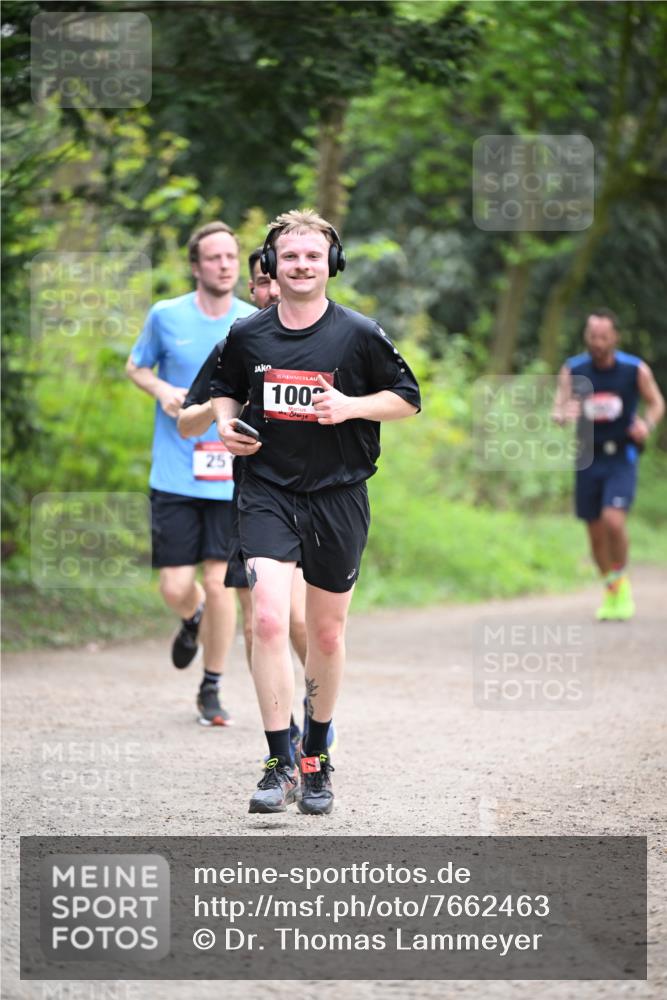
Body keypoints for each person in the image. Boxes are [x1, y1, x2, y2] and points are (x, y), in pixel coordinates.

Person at [210, 209, 421, 816]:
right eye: (290, 256)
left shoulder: (358, 333)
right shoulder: (250, 334)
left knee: (326, 632)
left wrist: (351, 405)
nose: (301, 265)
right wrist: (226, 425)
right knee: (271, 621)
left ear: (331, 263)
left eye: (312, 255)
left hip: (338, 493)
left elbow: (407, 399)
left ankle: (316, 754)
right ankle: (279, 758)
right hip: (266, 488)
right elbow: (224, 386)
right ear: (273, 265)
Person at [178, 248, 332, 758]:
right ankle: (283, 729)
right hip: (254, 497)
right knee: (259, 619)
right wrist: (220, 417)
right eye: (262, 282)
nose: (271, 290)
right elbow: (187, 420)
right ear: (253, 290)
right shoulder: (239, 343)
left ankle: (318, 711)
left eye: (276, 280)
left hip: (315, 499)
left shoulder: (328, 336)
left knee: (302, 622)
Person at [126, 221, 256, 726]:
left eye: (231, 257)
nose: (224, 265)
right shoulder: (166, 315)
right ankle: (191, 616)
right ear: (196, 265)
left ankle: (212, 687)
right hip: (176, 472)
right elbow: (137, 366)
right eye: (214, 257)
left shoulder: (251, 322)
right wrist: (161, 391)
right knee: (177, 587)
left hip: (231, 475)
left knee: (220, 581)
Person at [552, 308, 664, 620]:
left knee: (613, 521)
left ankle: (622, 580)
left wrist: (647, 425)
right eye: (592, 336)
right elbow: (558, 409)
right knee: (595, 533)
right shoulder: (573, 369)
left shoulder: (634, 369)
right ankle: (611, 589)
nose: (597, 342)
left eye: (603, 336)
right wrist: (564, 415)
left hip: (621, 456)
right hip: (588, 457)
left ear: (615, 337)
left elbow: (657, 402)